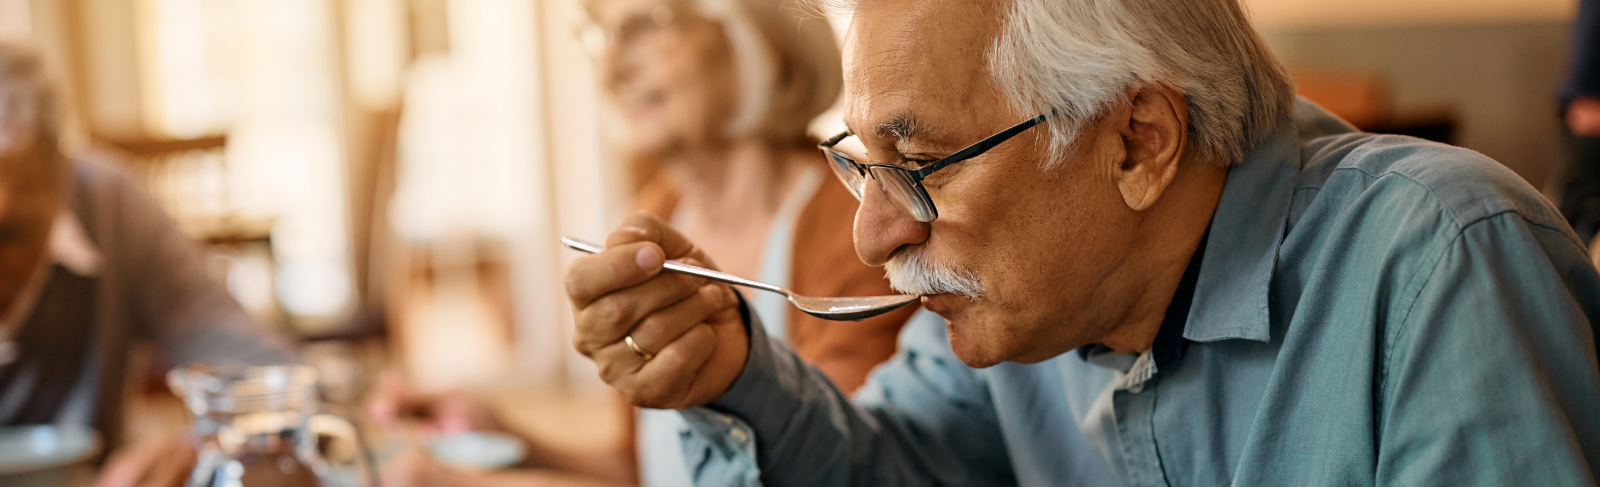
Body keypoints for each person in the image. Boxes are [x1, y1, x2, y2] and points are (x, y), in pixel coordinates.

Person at [563, 0, 1600, 485]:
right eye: (860, 158)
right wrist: (734, 374)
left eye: (920, 165)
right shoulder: (1012, 309)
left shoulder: (1439, 262)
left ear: (1137, 141)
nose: (876, 232)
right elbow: (895, 472)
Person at [369, 0, 922, 485]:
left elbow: (831, 465)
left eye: (645, 26)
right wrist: (509, 440)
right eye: (600, 34)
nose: (609, 67)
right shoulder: (652, 218)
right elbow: (654, 468)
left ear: (756, 37)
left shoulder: (858, 221)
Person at [0, 44, 294, 486]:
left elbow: (263, 370)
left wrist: (203, 443)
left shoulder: (108, 205)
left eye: (12, 233)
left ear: (59, 173)